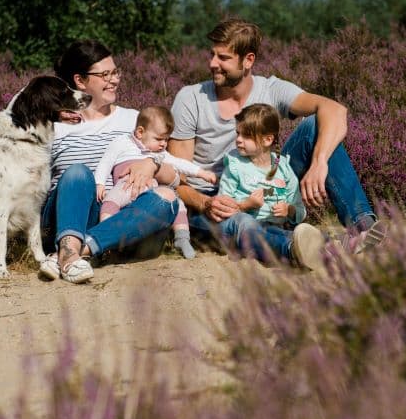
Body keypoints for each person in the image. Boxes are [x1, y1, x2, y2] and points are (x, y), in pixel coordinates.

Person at [167, 18, 385, 266]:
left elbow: (335, 110)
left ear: (248, 60)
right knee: (242, 223)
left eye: (223, 58)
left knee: (314, 125)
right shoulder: (191, 99)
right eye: (212, 55)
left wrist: (319, 162)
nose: (212, 63)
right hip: (213, 202)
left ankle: (363, 228)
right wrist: (205, 203)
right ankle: (299, 247)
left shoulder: (270, 89)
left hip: (264, 179)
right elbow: (176, 179)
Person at [36, 40, 181, 283]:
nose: (114, 79)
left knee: (168, 199)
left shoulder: (134, 120)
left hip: (115, 217)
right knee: (79, 174)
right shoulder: (55, 125)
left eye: (115, 72)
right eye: (105, 74)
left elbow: (176, 178)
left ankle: (73, 253)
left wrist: (152, 165)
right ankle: (69, 246)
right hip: (63, 217)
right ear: (80, 81)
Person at [94, 105, 217, 259]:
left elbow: (179, 163)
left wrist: (202, 173)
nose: (163, 144)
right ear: (140, 132)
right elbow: (106, 162)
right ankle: (106, 238)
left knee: (178, 205)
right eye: (159, 139)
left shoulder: (159, 153)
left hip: (152, 189)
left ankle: (182, 238)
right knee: (110, 203)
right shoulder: (121, 142)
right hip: (126, 184)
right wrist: (100, 183)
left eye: (166, 139)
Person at [216, 103, 325, 270]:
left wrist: (289, 210)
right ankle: (290, 251)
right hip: (236, 229)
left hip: (270, 228)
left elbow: (300, 209)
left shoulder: (281, 167)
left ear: (268, 139)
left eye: (246, 135)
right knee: (247, 223)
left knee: (286, 234)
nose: (238, 139)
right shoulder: (235, 164)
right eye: (238, 133)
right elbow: (222, 207)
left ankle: (332, 246)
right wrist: (246, 204)